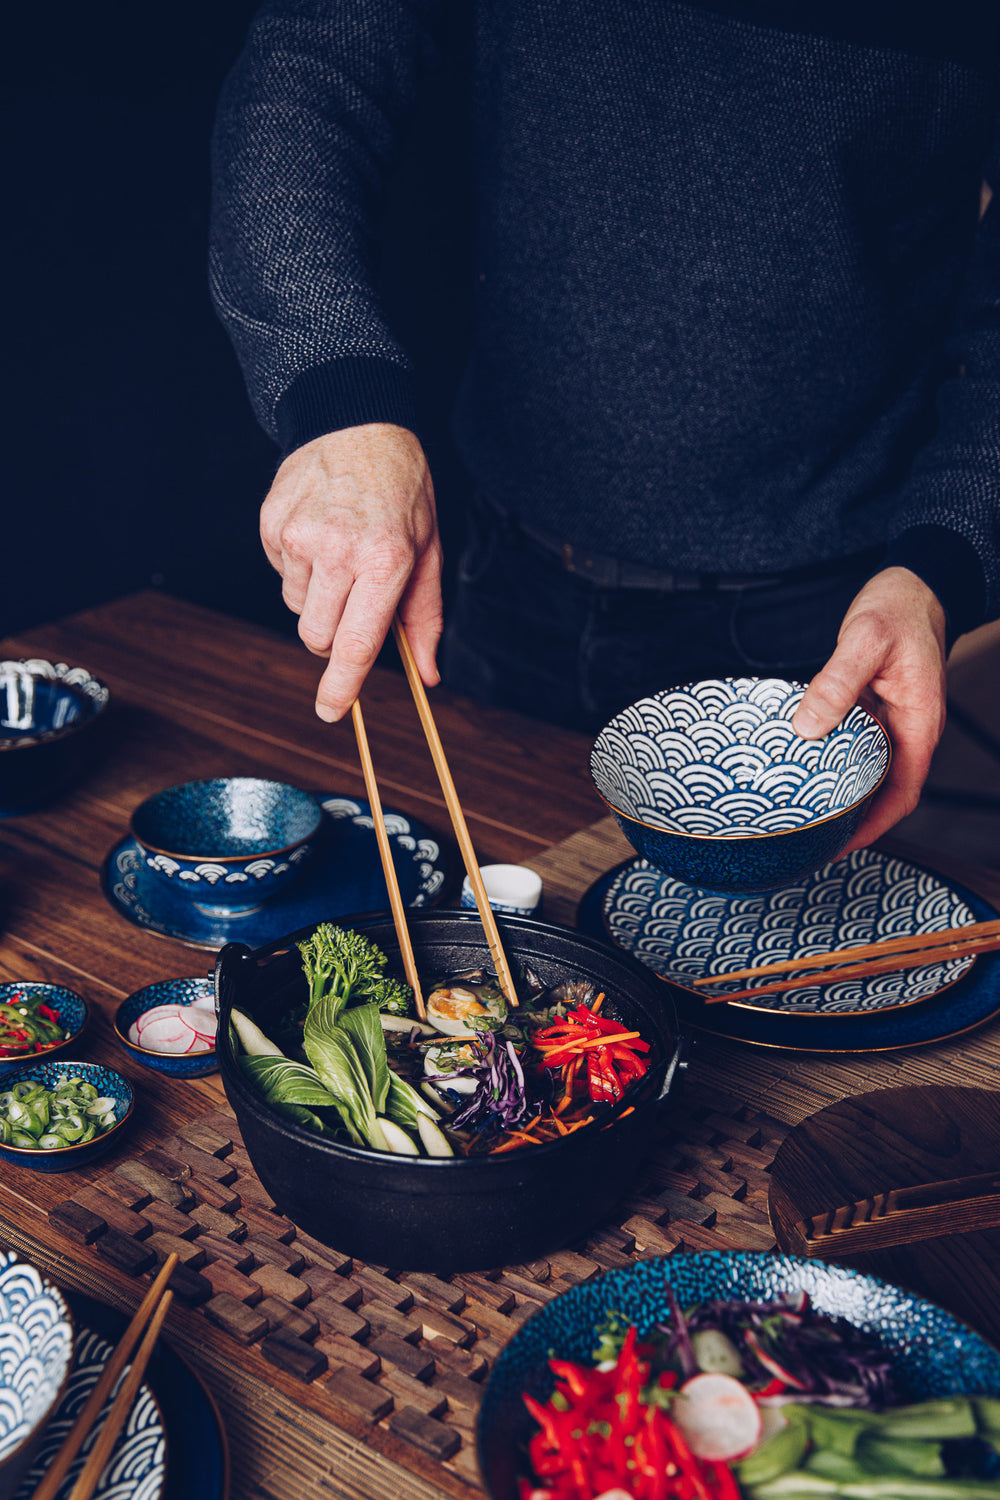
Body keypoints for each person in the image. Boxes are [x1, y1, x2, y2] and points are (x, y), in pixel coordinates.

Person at [210, 1, 1000, 850]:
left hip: (822, 628)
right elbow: (312, 67)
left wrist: (944, 558)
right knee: (474, 938)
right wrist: (339, 400)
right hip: (495, 575)